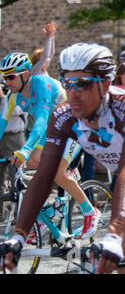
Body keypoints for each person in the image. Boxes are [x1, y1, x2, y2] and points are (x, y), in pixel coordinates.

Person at [0, 42, 125, 274]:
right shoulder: (63, 116)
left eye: (82, 84)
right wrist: (19, 235)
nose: (73, 92)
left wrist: (113, 234)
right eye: (67, 83)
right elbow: (44, 176)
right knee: (118, 266)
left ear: (105, 84)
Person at [0, 52, 100, 241]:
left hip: (74, 125)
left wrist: (26, 149)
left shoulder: (40, 84)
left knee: (57, 172)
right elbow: (1, 124)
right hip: (53, 129)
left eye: (11, 76)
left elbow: (41, 120)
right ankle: (46, 216)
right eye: (4, 76)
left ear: (25, 75)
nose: (7, 81)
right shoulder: (13, 97)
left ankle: (90, 211)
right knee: (30, 165)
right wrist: (28, 152)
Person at [0, 83, 26, 220]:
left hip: (14, 138)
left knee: (14, 176)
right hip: (1, 139)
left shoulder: (12, 99)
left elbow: (20, 113)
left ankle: (18, 213)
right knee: (0, 178)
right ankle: (1, 214)